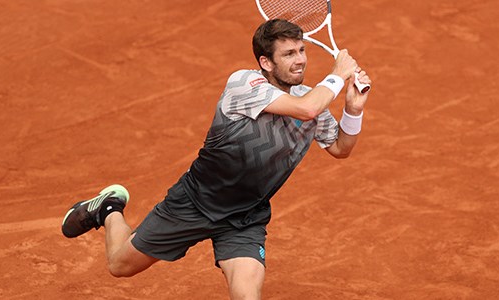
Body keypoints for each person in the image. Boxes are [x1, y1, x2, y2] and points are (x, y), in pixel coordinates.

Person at [61, 19, 372, 300]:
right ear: (265, 62)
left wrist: (353, 109)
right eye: (289, 53)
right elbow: (308, 109)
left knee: (247, 294)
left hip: (245, 217)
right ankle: (110, 207)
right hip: (194, 203)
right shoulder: (244, 84)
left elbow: (340, 148)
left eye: (301, 50)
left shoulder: (310, 98)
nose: (301, 59)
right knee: (120, 265)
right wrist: (336, 75)